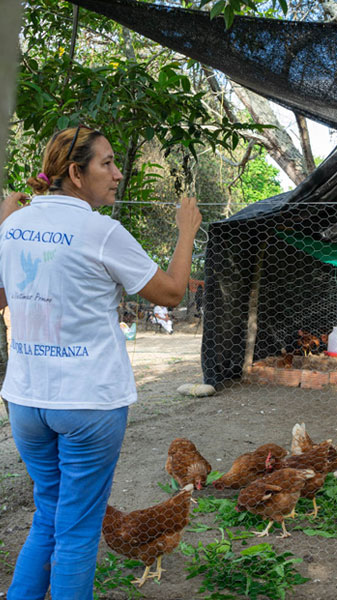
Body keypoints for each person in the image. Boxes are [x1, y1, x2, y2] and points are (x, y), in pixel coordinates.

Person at [0, 125, 201, 600]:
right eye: (106, 164)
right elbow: (172, 293)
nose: (117, 174)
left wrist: (5, 220)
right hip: (88, 404)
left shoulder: (12, 226)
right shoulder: (102, 231)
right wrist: (186, 232)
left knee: (49, 515)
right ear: (76, 173)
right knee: (78, 531)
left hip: (26, 403)